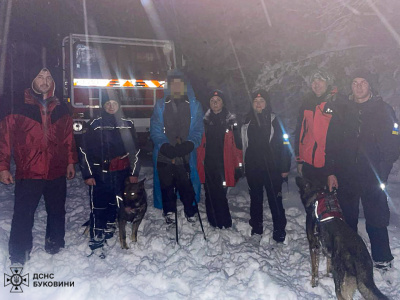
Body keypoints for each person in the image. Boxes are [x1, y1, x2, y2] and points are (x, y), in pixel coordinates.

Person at [0, 68, 77, 265]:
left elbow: (68, 138)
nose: (45, 81)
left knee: (57, 210)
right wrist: (3, 166)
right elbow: (5, 139)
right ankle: (19, 253)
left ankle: (55, 243)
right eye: (40, 77)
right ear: (32, 80)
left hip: (56, 169)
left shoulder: (61, 108)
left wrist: (70, 161)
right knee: (23, 212)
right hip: (29, 170)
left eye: (48, 78)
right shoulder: (17, 107)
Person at [326, 69, 400, 271]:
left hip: (372, 176)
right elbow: (331, 142)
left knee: (376, 217)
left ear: (370, 86)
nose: (358, 86)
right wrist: (331, 171)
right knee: (347, 219)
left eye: (363, 82)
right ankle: (351, 256)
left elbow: (393, 143)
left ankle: (382, 259)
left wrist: (383, 169)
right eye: (355, 82)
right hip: (346, 175)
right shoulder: (342, 110)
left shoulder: (383, 109)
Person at [79, 90, 141, 252]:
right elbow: (83, 150)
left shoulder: (127, 123)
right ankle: (97, 232)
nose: (111, 107)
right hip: (100, 173)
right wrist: (88, 174)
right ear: (103, 105)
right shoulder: (94, 124)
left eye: (114, 103)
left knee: (117, 201)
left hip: (121, 172)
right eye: (108, 104)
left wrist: (134, 173)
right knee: (99, 204)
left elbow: (135, 151)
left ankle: (110, 224)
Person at [150, 69, 203, 225]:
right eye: (174, 85)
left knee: (186, 181)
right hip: (165, 150)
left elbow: (198, 129)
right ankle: (169, 210)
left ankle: (190, 209)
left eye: (180, 84)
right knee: (166, 182)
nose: (177, 87)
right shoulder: (161, 105)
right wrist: (163, 144)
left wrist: (190, 144)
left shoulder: (195, 105)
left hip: (185, 150)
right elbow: (155, 127)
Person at [241, 90, 291, 242]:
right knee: (255, 199)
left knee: (275, 200)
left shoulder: (275, 120)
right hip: (253, 167)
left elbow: (285, 144)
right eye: (256, 101)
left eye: (261, 101)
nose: (258, 104)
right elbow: (243, 144)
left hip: (272, 168)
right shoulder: (247, 120)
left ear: (267, 103)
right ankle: (256, 229)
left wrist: (285, 167)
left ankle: (279, 230)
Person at [197, 90, 243, 229]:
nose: (215, 103)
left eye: (218, 100)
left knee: (221, 193)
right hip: (208, 162)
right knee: (209, 193)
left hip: (224, 163)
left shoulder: (231, 121)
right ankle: (213, 221)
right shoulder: (204, 121)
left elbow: (238, 145)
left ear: (223, 103)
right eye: (212, 100)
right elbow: (198, 142)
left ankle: (225, 221)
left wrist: (239, 165)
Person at [295, 69, 342, 188]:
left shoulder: (337, 103)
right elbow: (300, 132)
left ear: (328, 83)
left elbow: (339, 139)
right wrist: (299, 159)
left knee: (329, 203)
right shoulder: (307, 103)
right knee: (311, 201)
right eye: (313, 81)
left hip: (328, 163)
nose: (316, 84)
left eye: (320, 80)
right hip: (308, 162)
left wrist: (332, 169)